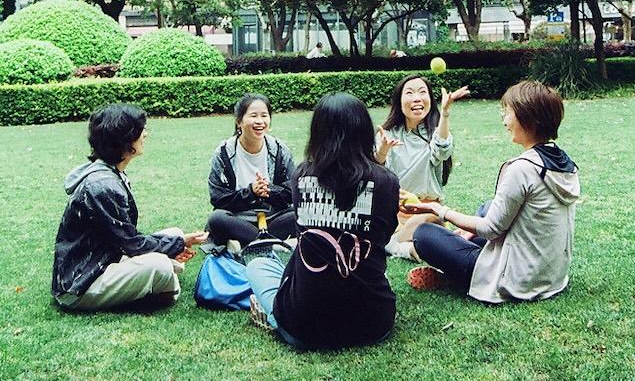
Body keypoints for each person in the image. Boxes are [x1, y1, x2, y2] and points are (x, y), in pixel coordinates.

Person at [245, 93, 400, 349]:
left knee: (258, 265)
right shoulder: (386, 181)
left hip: (303, 326)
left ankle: (273, 315)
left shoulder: (301, 176)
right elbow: (384, 236)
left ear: (317, 133)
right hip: (373, 323)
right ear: (363, 131)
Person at [404, 80, 580, 304]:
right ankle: (460, 251)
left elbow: (490, 229)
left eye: (508, 113)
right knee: (488, 207)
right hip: (551, 276)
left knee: (424, 235)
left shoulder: (522, 168)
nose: (505, 121)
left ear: (528, 119)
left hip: (516, 280)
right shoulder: (564, 163)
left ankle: (455, 275)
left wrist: (439, 210)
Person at [52, 104, 207, 311]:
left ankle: (162, 274)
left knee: (174, 234)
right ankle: (160, 285)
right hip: (81, 284)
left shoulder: (110, 173)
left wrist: (176, 241)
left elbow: (124, 238)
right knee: (160, 265)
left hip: (106, 257)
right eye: (141, 130)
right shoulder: (102, 186)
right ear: (124, 140)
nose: (146, 135)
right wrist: (175, 245)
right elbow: (131, 244)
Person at [376, 74, 470, 260]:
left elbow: (442, 149)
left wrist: (445, 113)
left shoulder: (435, 134)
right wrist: (382, 152)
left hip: (427, 212)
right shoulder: (387, 134)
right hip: (394, 215)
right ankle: (407, 248)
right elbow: (375, 173)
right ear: (399, 101)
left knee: (424, 224)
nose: (417, 98)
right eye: (409, 93)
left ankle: (401, 246)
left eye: (422, 92)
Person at [207, 93, 295, 249]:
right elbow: (218, 198)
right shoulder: (224, 153)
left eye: (264, 116)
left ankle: (248, 242)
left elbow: (293, 193)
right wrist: (251, 192)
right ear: (239, 121)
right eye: (253, 116)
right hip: (238, 220)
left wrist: (269, 190)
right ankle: (270, 242)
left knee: (300, 214)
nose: (260, 121)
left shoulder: (280, 150)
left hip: (274, 218)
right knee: (216, 219)